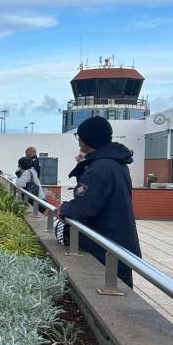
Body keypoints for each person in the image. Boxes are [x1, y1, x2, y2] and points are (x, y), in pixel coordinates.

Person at [54, 116, 140, 289]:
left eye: (79, 136)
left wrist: (63, 208)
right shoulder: (116, 163)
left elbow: (81, 209)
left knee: (116, 306)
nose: (78, 141)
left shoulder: (99, 169)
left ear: (86, 138)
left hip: (106, 248)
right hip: (120, 243)